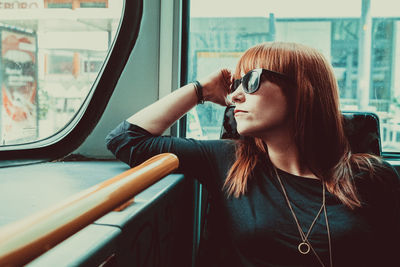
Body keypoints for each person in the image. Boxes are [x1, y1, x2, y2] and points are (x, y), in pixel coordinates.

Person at [106, 42, 400, 267]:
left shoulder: (374, 177)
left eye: (252, 81)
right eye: (236, 84)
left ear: (303, 91)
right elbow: (127, 139)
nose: (234, 96)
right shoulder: (227, 161)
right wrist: (201, 91)